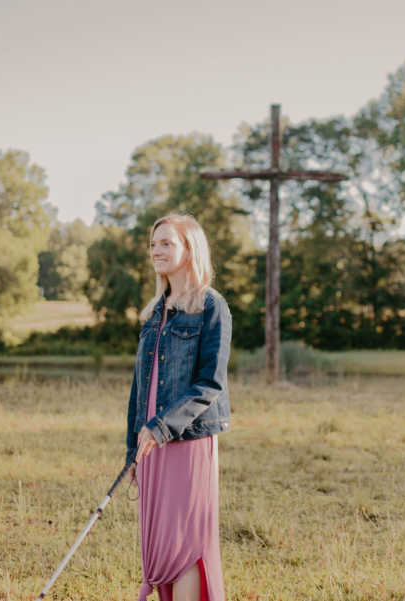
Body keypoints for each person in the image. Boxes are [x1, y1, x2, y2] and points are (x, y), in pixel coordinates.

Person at [126, 213, 232, 601]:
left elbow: (211, 384)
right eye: (154, 244)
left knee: (186, 542)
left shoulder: (211, 306)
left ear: (190, 250)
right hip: (150, 441)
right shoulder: (155, 311)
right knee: (160, 540)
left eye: (167, 243)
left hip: (185, 439)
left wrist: (162, 426)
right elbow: (140, 387)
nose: (156, 250)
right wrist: (131, 450)